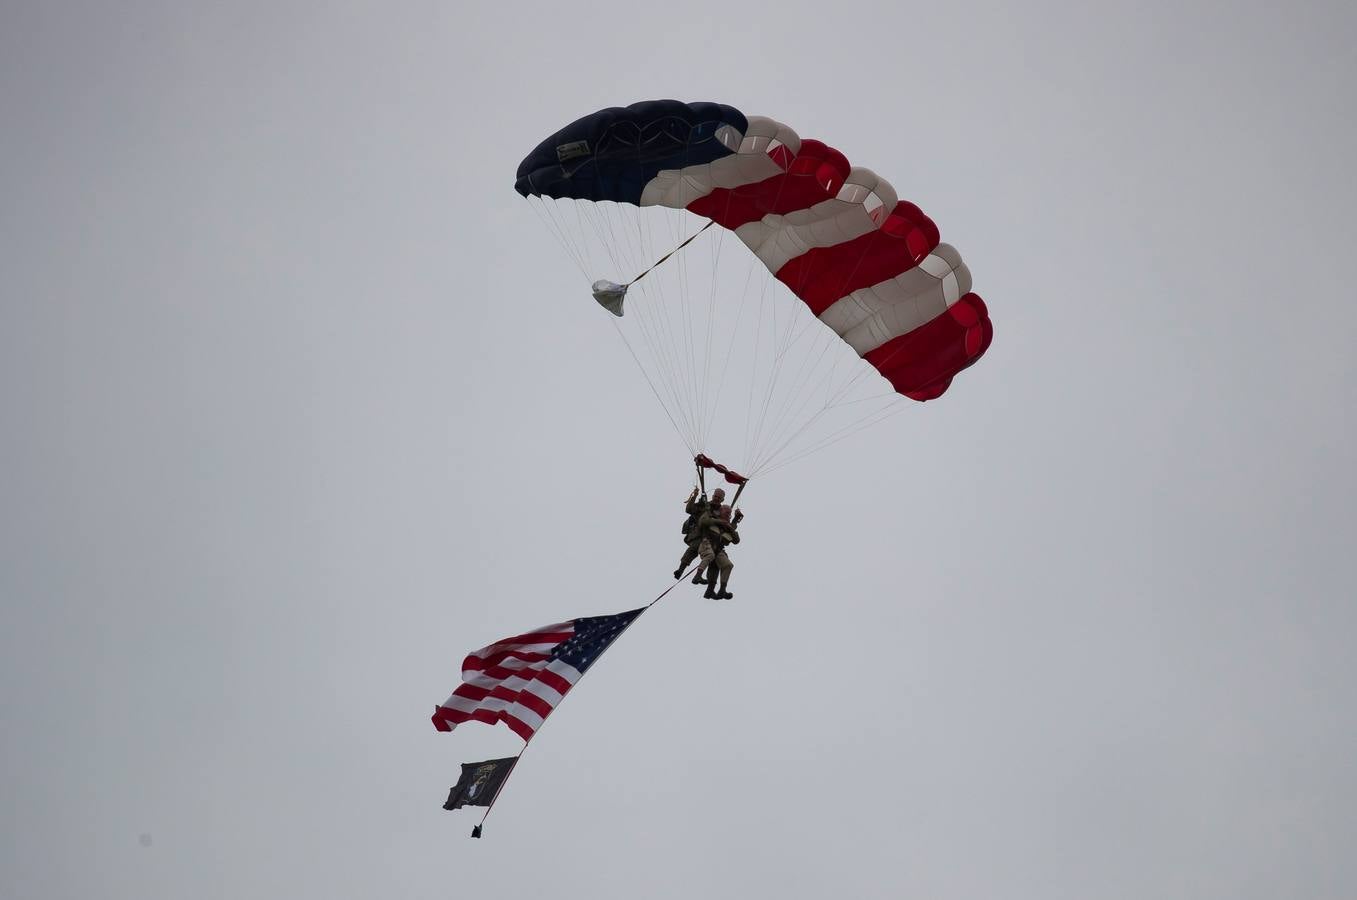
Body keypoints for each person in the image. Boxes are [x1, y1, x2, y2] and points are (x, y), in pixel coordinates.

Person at [673, 486, 724, 581]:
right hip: (700, 534)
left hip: (712, 538)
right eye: (715, 496)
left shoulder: (722, 512)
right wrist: (695, 497)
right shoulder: (704, 505)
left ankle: (704, 580)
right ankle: (680, 570)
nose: (716, 499)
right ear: (713, 496)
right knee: (693, 549)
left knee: (713, 559)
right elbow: (689, 509)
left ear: (722, 499)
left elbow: (725, 525)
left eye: (719, 497)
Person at [694, 503, 740, 600]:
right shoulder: (711, 518)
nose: (728, 515)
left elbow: (736, 540)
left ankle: (721, 590)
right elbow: (704, 522)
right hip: (707, 545)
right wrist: (720, 521)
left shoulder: (727, 526)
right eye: (726, 512)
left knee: (728, 565)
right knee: (710, 556)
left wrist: (732, 524)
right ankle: (698, 576)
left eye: (729, 514)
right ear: (720, 511)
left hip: (718, 551)